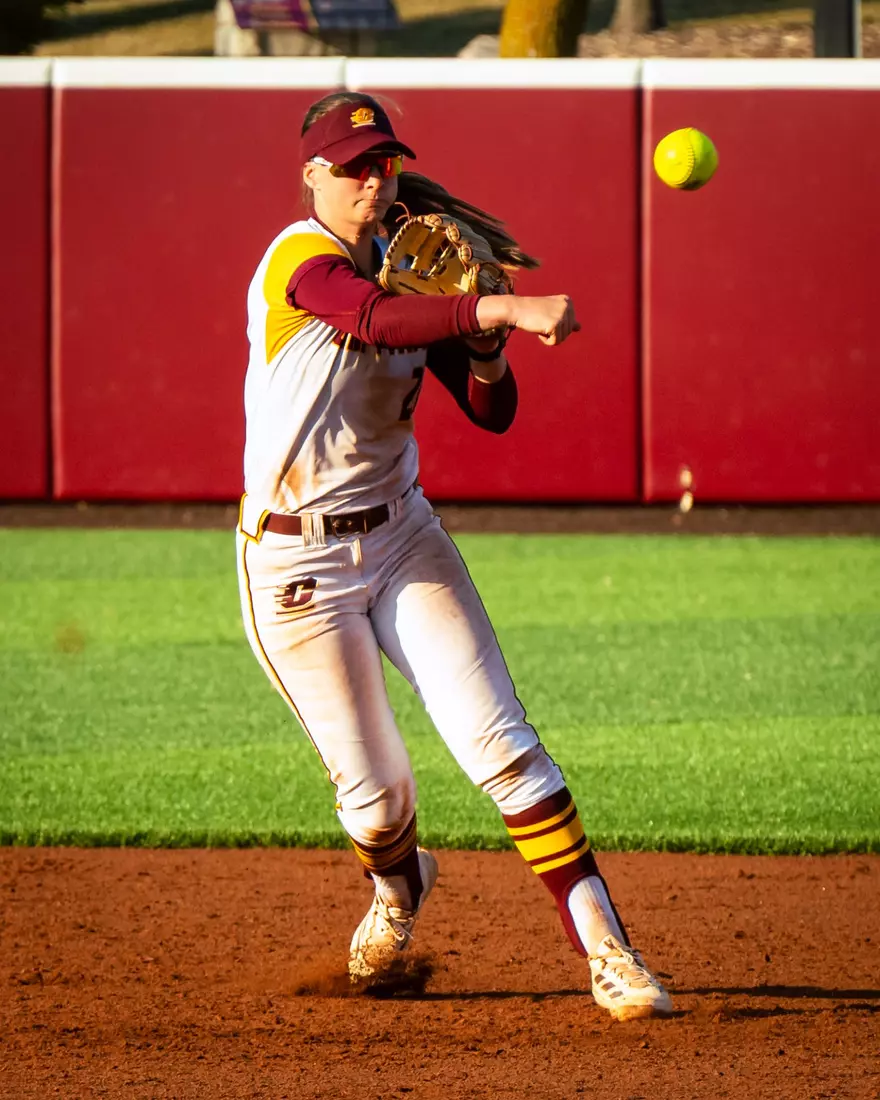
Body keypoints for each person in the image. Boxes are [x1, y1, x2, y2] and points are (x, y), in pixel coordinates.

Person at [236, 91, 672, 1022]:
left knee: (504, 748)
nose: (370, 178)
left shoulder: (419, 275)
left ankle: (613, 955)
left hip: (401, 538)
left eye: (381, 161)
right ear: (312, 173)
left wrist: (480, 346)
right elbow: (369, 322)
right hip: (293, 570)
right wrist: (502, 305)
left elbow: (490, 410)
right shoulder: (296, 261)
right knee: (379, 803)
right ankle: (399, 889)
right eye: (351, 164)